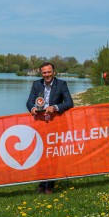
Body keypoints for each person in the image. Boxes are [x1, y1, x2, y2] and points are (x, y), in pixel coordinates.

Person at [26, 62, 73, 194]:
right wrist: (33, 108)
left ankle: (50, 186)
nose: (46, 75)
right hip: (39, 125)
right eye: (44, 73)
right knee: (40, 154)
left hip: (55, 124)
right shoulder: (36, 84)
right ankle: (41, 184)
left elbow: (70, 102)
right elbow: (29, 101)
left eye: (48, 72)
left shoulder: (61, 84)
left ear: (53, 72)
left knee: (53, 155)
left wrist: (55, 107)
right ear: (41, 73)